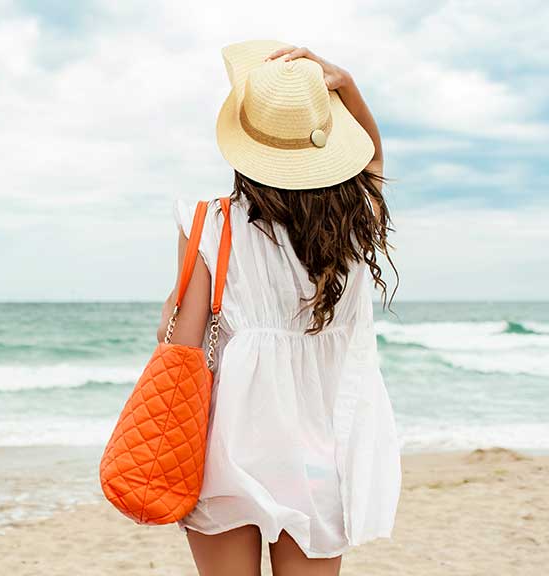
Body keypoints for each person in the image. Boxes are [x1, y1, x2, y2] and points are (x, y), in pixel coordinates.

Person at [157, 40, 401, 576]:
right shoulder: (356, 226)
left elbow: (182, 343)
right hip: (320, 453)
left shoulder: (210, 224)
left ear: (246, 143)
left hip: (228, 452)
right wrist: (349, 86)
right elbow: (375, 159)